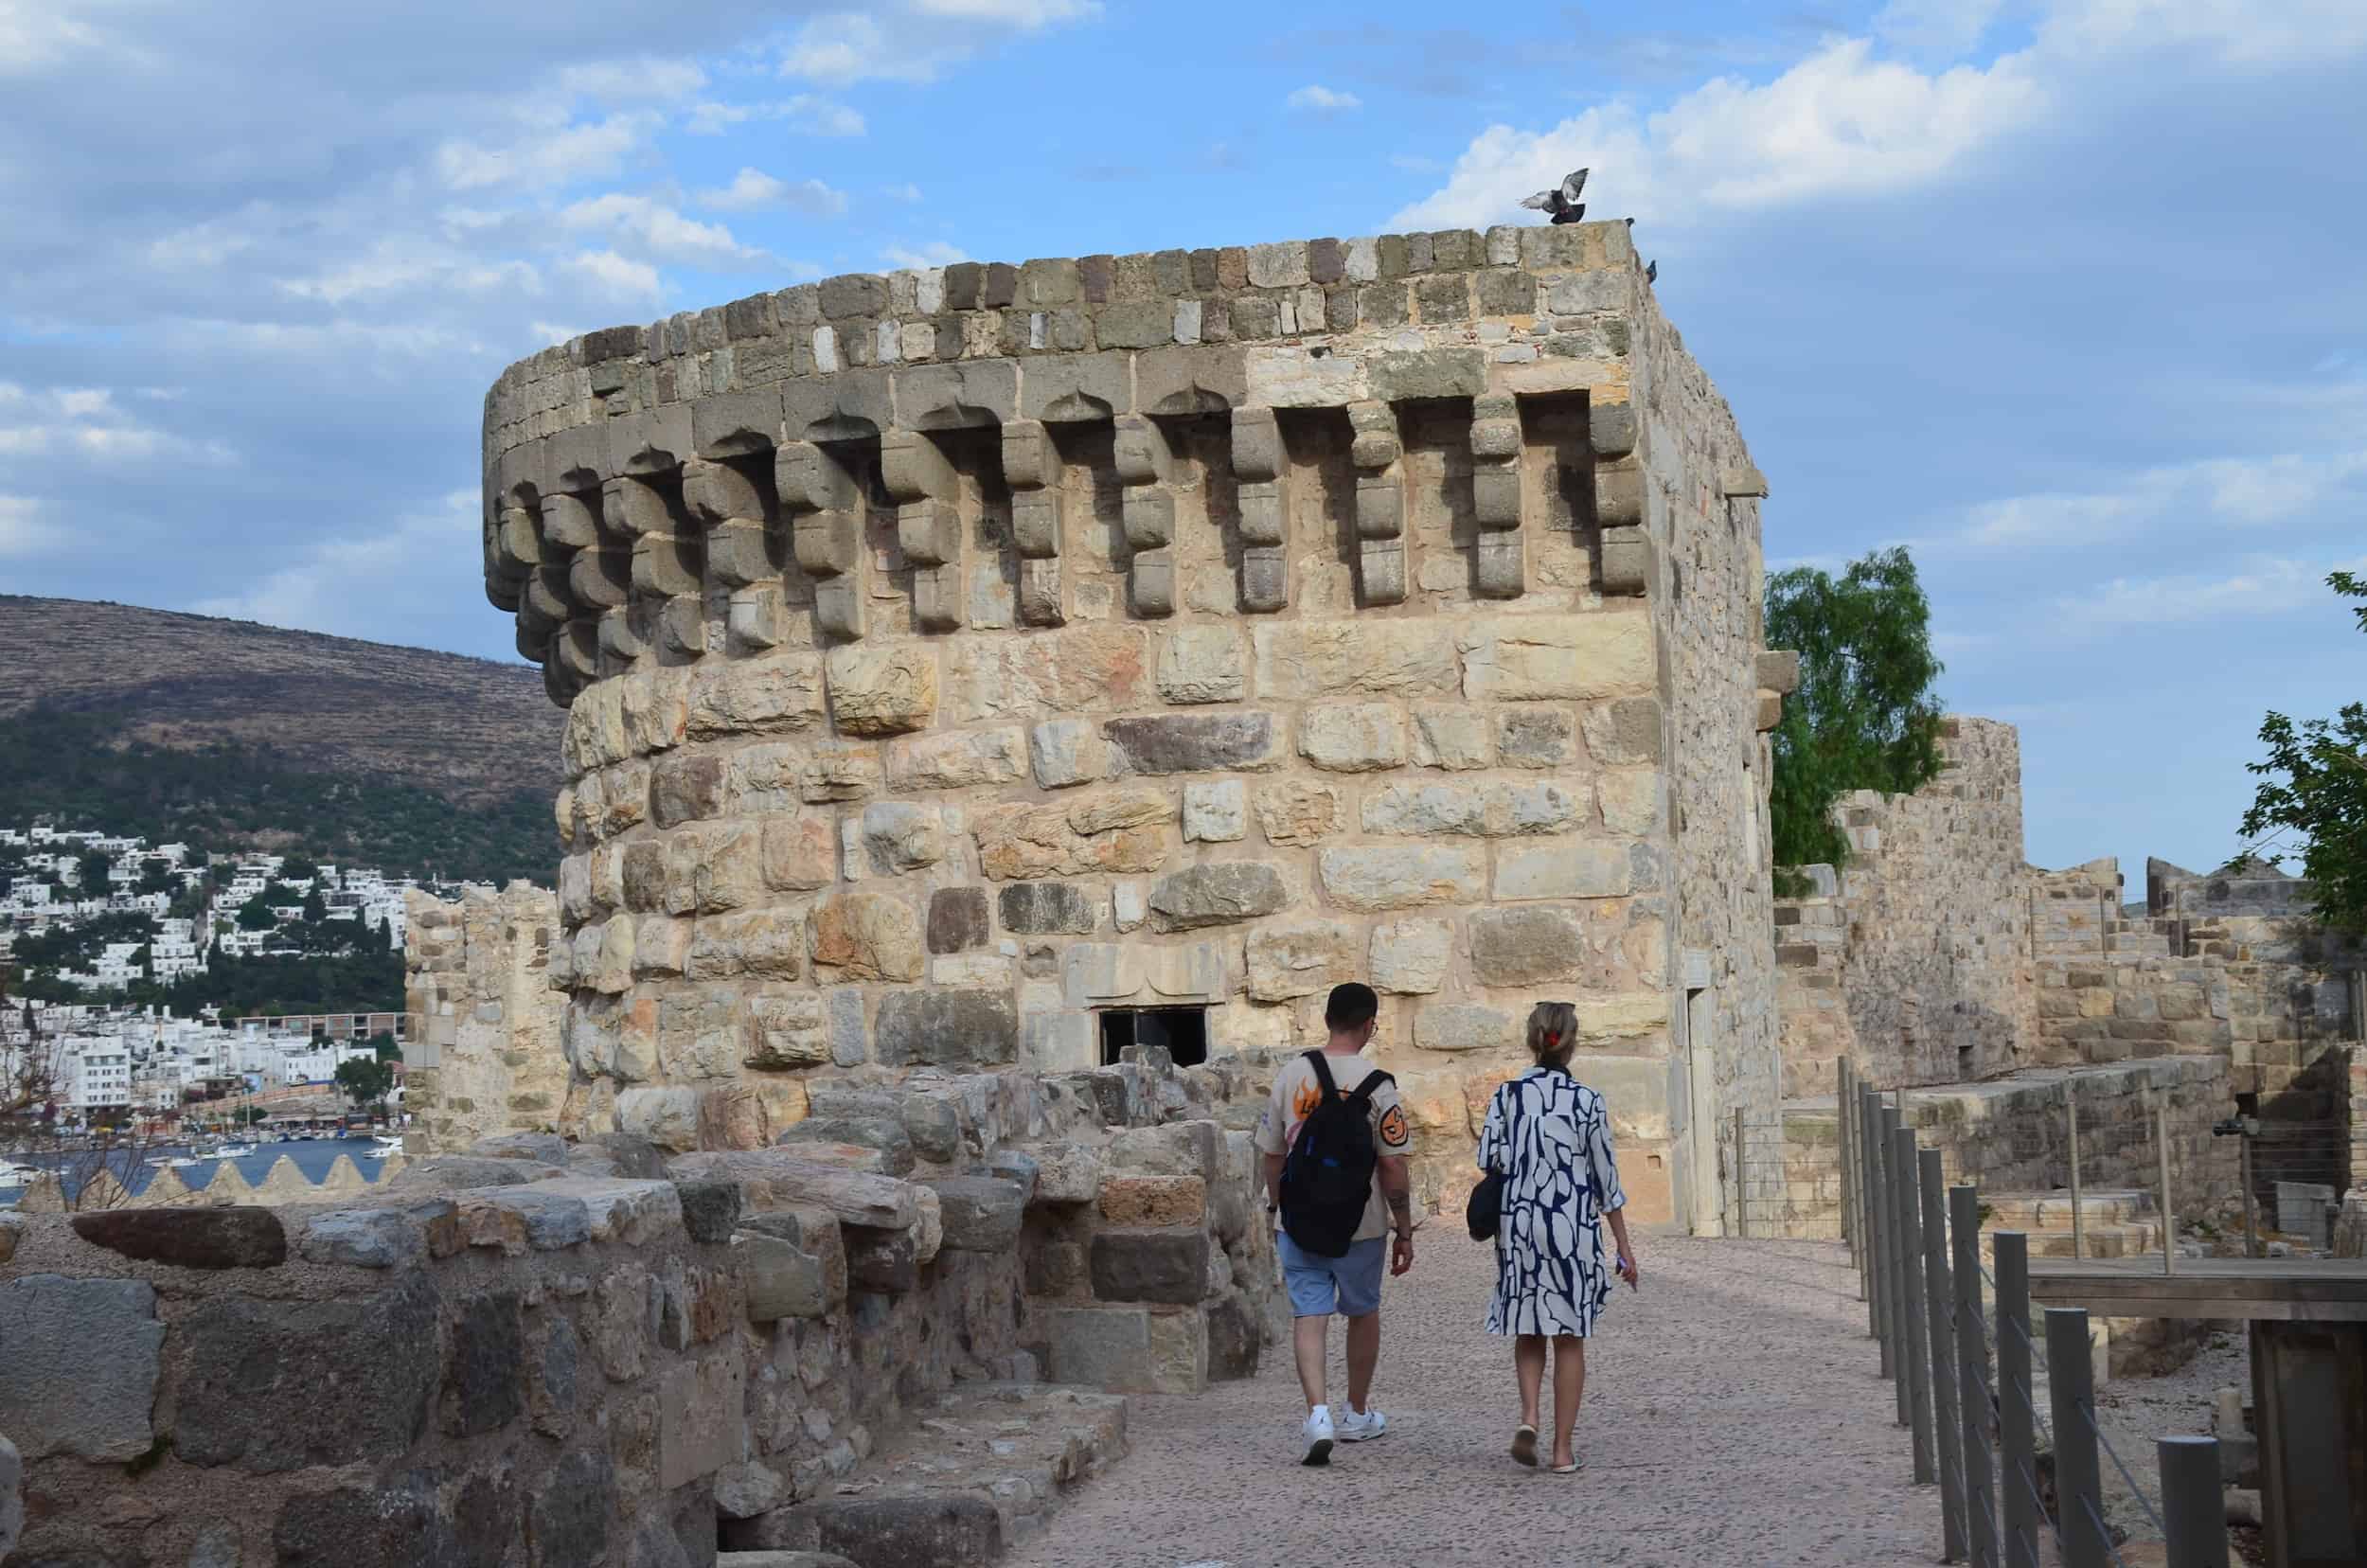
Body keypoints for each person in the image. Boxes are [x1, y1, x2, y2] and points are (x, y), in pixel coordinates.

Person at [1255, 982, 1416, 1465]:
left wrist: (1279, 1204)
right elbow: (1393, 1165)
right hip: (1361, 1222)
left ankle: (1317, 1414)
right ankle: (1357, 1412)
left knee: (1310, 1313)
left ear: (1327, 1020)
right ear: (1369, 1024)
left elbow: (1271, 1153)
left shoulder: (1292, 1075)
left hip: (1300, 1219)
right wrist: (1403, 1228)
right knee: (1362, 1310)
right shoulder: (1379, 1084)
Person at [1476, 1000, 1639, 1474]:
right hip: (1571, 1229)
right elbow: (1606, 1184)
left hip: (1521, 1224)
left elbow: (1488, 1157)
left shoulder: (1507, 1096)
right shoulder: (1588, 1102)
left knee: (1529, 1326)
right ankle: (1562, 1452)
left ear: (1532, 1040)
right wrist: (1624, 1250)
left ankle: (1529, 1417)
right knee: (1570, 1337)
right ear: (1571, 1044)